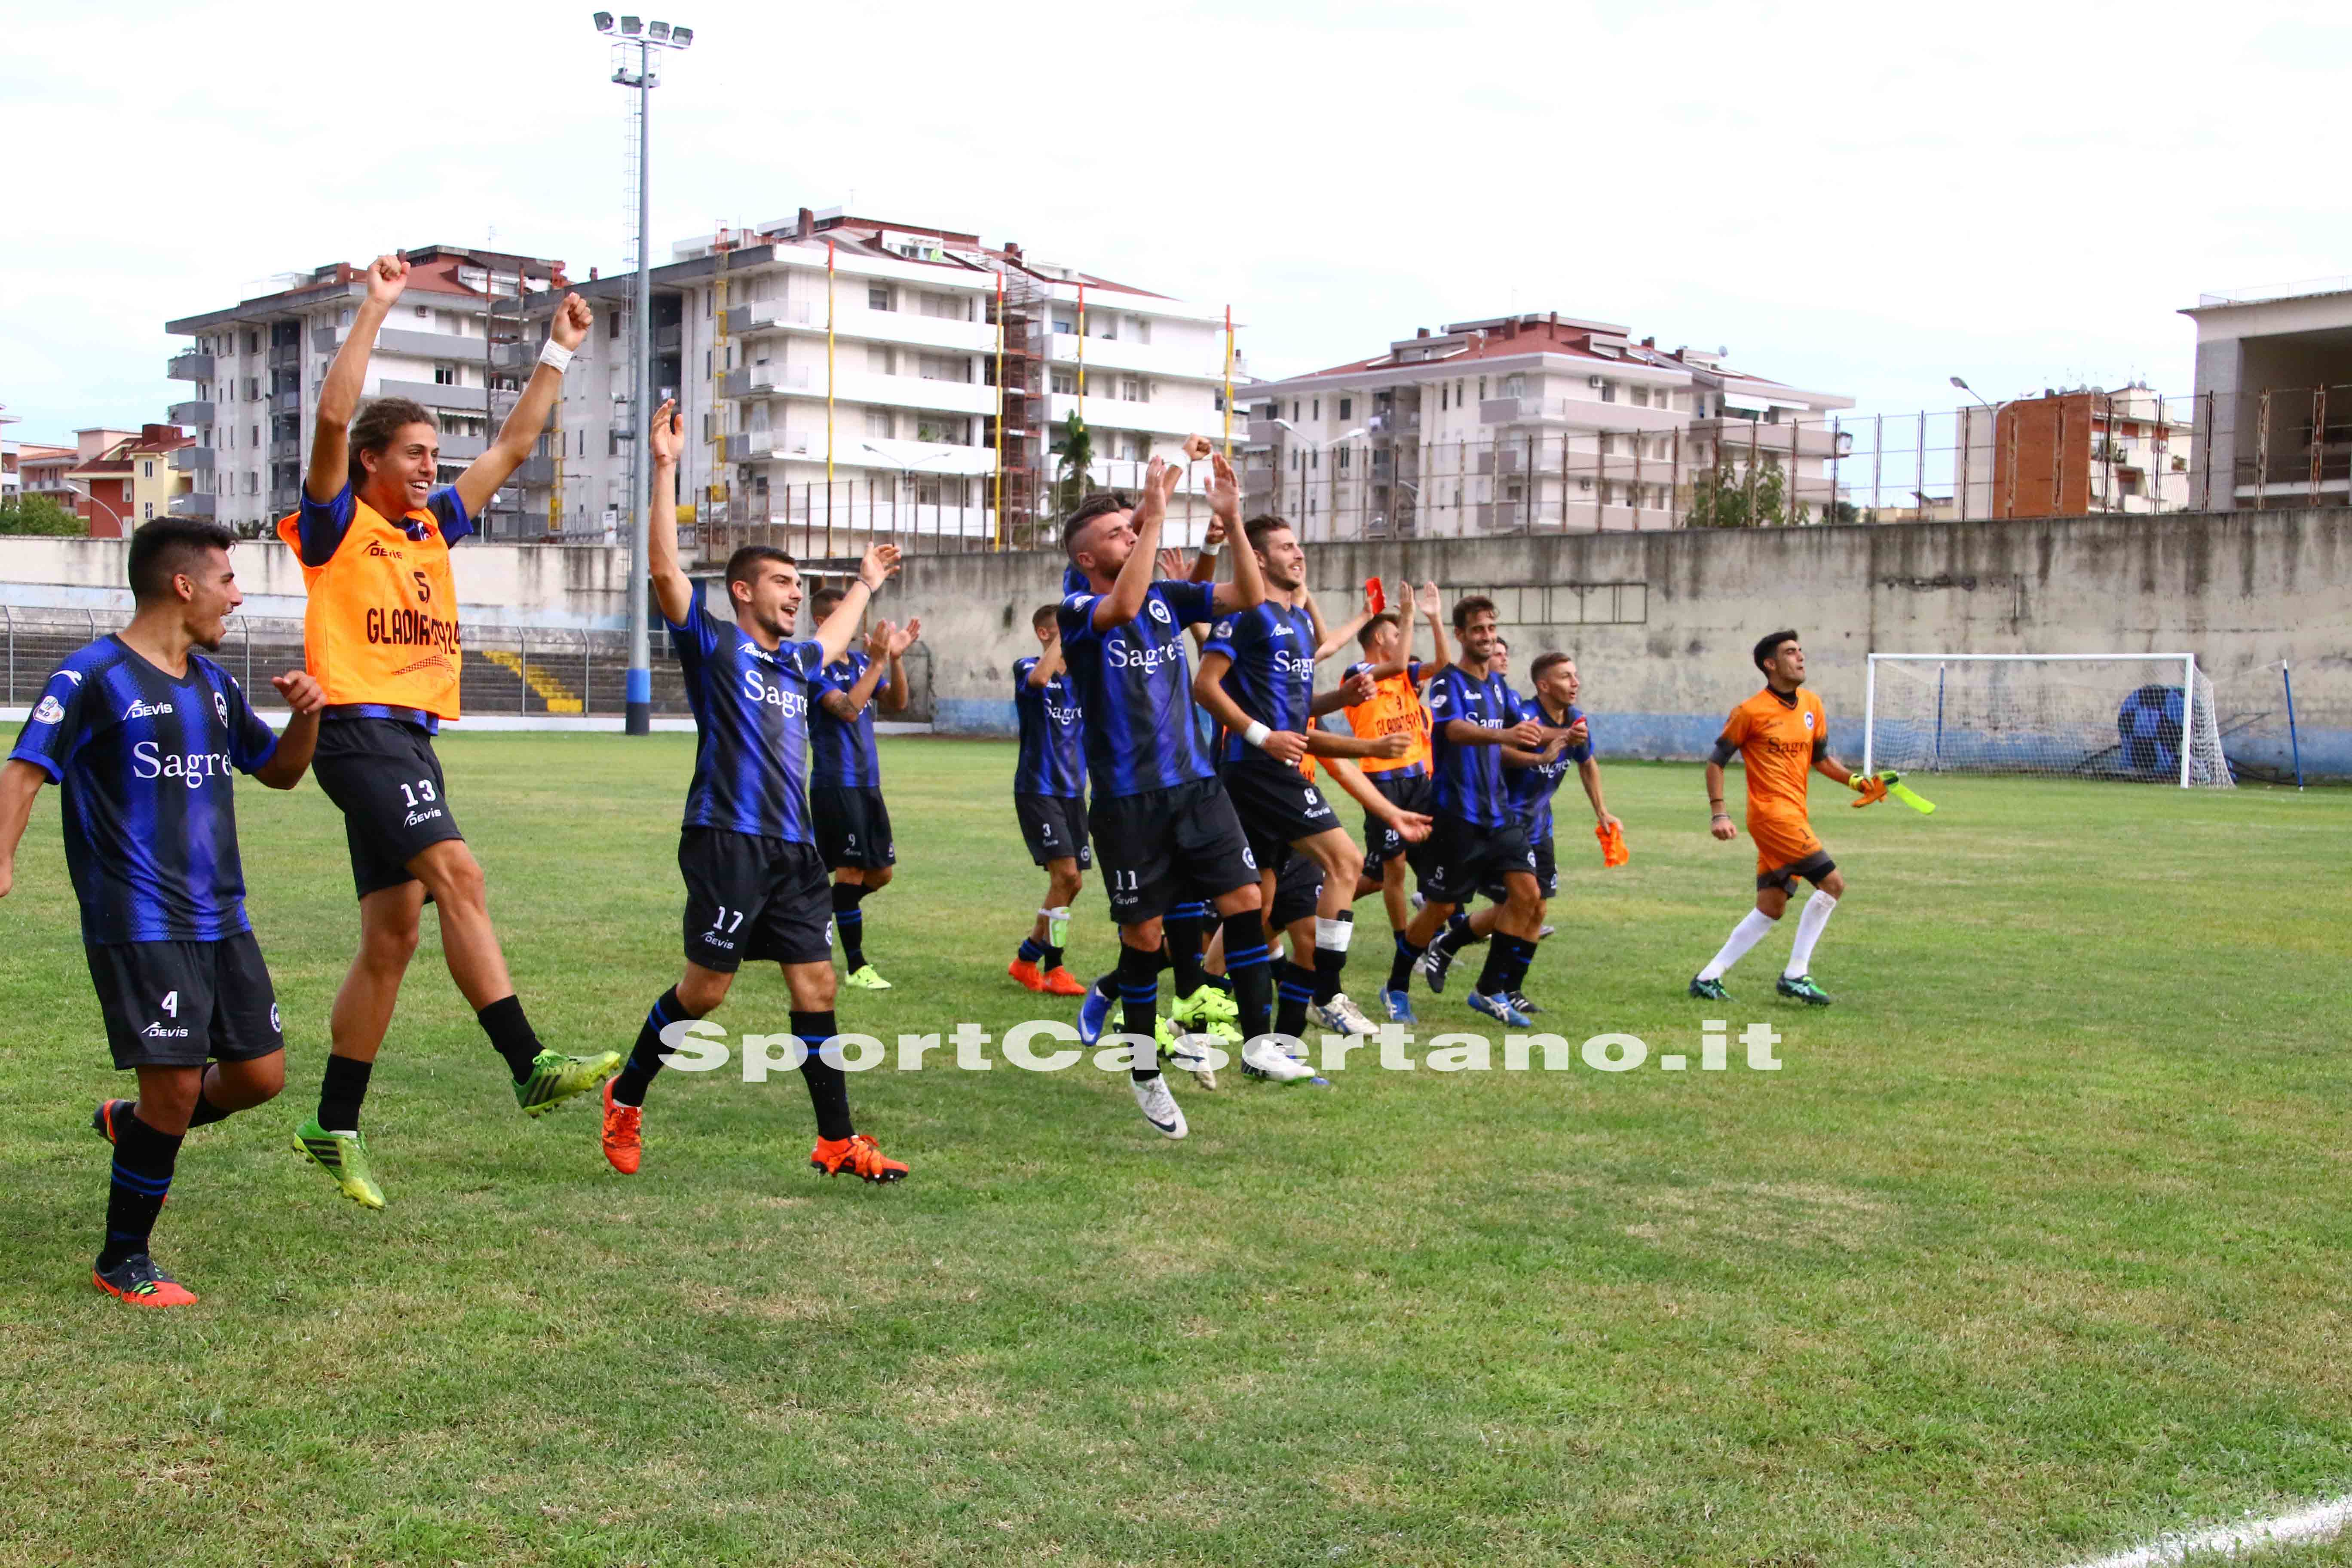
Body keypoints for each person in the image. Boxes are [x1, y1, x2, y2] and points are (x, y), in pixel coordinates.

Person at [278, 252, 614, 1210]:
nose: (432, 468)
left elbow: (511, 446)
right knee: (460, 874)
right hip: (359, 733)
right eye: (416, 454)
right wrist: (374, 308)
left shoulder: (432, 531)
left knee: (391, 940)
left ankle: (331, 1123)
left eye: (434, 454)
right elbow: (336, 417)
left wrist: (557, 349)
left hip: (408, 741)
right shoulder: (340, 523)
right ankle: (527, 1061)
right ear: (374, 464)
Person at [0, 520, 325, 1305]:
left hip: (223, 915)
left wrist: (309, 714)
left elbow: (278, 772)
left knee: (259, 1075)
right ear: (184, 585)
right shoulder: (92, 676)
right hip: (139, 917)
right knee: (177, 1086)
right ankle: (123, 1258)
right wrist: (1, 858)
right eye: (228, 580)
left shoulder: (214, 684)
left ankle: (134, 1123)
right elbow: (24, 769)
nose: (237, 596)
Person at [598, 401, 911, 1180]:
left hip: (793, 846)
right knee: (704, 993)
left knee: (816, 981)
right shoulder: (715, 646)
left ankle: (837, 1140)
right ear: (741, 591)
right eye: (780, 581)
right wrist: (667, 466)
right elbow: (665, 573)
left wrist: (867, 583)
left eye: (799, 583)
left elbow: (834, 637)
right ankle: (626, 1093)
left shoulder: (794, 664)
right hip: (725, 838)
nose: (794, 593)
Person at [1058, 451, 1315, 1141]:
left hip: (1197, 787)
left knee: (1246, 903)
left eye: (1131, 528)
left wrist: (1231, 519)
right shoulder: (1079, 606)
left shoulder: (1168, 600)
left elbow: (1250, 598)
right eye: (1118, 532)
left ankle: (1260, 1044)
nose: (1133, 532)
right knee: (1142, 937)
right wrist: (1154, 514)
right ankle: (1145, 1073)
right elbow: (1123, 605)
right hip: (1127, 801)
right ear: (1087, 558)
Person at [1192, 514, 1411, 1042]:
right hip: (1258, 770)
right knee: (1347, 860)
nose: (1299, 554)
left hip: (1273, 766)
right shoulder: (1249, 614)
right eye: (1286, 548)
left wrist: (1341, 699)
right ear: (1261, 559)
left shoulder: (1297, 625)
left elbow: (1295, 711)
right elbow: (1205, 686)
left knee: (1259, 903)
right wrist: (1260, 736)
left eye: (1299, 546)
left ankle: (1199, 1010)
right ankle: (1327, 991)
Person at [1383, 598, 1578, 1028]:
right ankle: (1396, 986)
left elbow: (1526, 728)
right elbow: (1453, 730)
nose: (1487, 637)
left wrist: (1565, 734)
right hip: (1457, 817)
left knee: (1528, 897)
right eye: (1478, 630)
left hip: (1499, 816)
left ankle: (1489, 991)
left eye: (1492, 628)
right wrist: (1508, 733)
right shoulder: (1447, 682)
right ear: (1461, 636)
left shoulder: (1498, 687)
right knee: (1439, 908)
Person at [1419, 652, 1616, 1016]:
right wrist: (1537, 753)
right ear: (1544, 685)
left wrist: (1602, 811)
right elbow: (1498, 751)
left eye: (1576, 675)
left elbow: (1587, 763)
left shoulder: (1575, 720)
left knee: (1537, 908)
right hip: (1503, 819)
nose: (1576, 683)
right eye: (1566, 677)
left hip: (1541, 824)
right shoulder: (1522, 715)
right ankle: (1459, 956)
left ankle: (1510, 988)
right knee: (1517, 903)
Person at [1690, 630, 1863, 1005]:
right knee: (1832, 884)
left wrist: (1855, 781)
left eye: (1801, 651)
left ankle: (1708, 978)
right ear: (1771, 665)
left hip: (1794, 814)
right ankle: (1796, 975)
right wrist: (1719, 812)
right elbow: (1716, 762)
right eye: (1790, 653)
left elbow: (1820, 759)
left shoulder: (1812, 705)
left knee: (1772, 906)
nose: (1800, 657)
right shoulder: (1749, 712)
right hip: (1772, 816)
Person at [1338, 584, 1448, 1022]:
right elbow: (1401, 661)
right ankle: (1408, 943)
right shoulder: (1358, 673)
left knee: (1391, 872)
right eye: (1395, 630)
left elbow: (1442, 666)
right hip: (1382, 783)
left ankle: (1324, 895)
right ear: (1377, 638)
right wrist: (1406, 613)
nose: (1402, 634)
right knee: (1394, 869)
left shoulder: (1405, 674)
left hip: (1418, 780)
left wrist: (1435, 618)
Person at [805, 583, 918, 991]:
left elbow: (899, 704)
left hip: (869, 784)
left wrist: (895, 661)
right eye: (846, 615)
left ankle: (814, 911)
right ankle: (856, 967)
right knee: (851, 872)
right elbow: (849, 711)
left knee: (881, 874)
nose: (855, 625)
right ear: (824, 621)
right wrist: (877, 664)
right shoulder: (813, 669)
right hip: (837, 783)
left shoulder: (858, 661)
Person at [1008, 605, 1089, 998]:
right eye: (1063, 632)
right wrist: (1066, 634)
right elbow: (1040, 678)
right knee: (1068, 877)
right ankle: (1055, 968)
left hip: (1074, 792)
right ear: (1045, 634)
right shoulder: (1027, 666)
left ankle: (1026, 960)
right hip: (1038, 790)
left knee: (1071, 886)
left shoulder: (1082, 680)